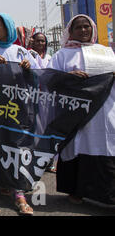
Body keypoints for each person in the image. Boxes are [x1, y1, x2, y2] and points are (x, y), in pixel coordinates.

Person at [47, 14, 115, 206]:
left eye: (87, 26)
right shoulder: (62, 55)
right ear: (71, 31)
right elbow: (50, 79)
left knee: (105, 147)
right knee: (77, 148)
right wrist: (68, 76)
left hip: (105, 110)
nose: (83, 30)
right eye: (79, 27)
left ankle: (106, 196)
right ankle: (76, 192)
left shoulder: (105, 52)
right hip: (76, 113)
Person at [0, 13, 39, 215]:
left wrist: (30, 69)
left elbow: (41, 76)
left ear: (8, 27)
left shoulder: (21, 52)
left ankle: (19, 193)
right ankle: (6, 181)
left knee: (18, 146)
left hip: (19, 110)